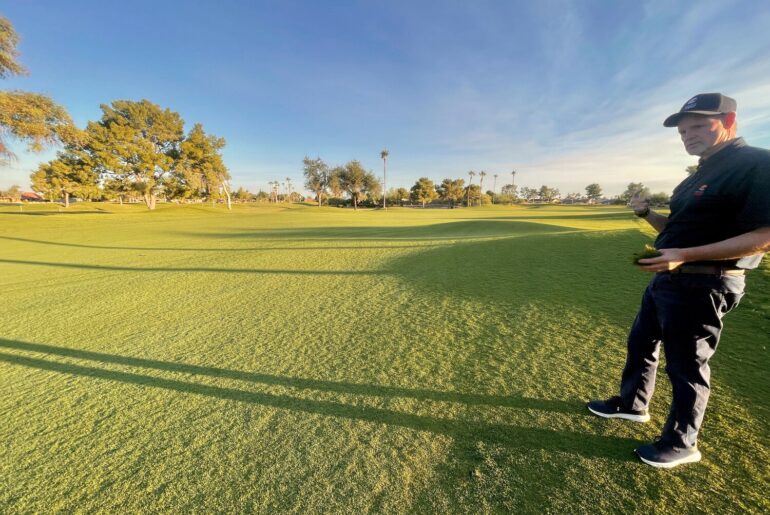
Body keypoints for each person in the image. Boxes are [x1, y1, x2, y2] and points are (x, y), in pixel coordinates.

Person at [587, 93, 770, 468]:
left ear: (730, 120)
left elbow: (765, 235)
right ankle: (632, 404)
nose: (689, 135)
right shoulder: (698, 175)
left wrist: (684, 255)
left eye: (700, 125)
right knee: (641, 343)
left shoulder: (757, 164)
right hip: (669, 279)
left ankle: (682, 442)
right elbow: (676, 229)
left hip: (707, 282)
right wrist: (647, 214)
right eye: (684, 130)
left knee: (687, 364)